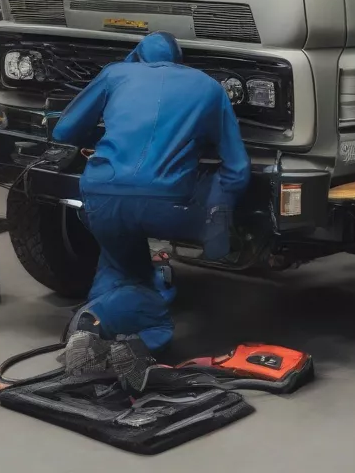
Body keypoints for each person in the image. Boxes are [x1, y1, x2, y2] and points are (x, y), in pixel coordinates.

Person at [51, 31, 250, 351]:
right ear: (179, 59)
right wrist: (219, 218)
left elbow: (63, 131)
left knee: (119, 260)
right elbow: (238, 169)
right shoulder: (209, 86)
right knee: (145, 291)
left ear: (138, 56)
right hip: (169, 206)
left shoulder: (116, 73)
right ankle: (106, 320)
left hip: (101, 197)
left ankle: (93, 332)